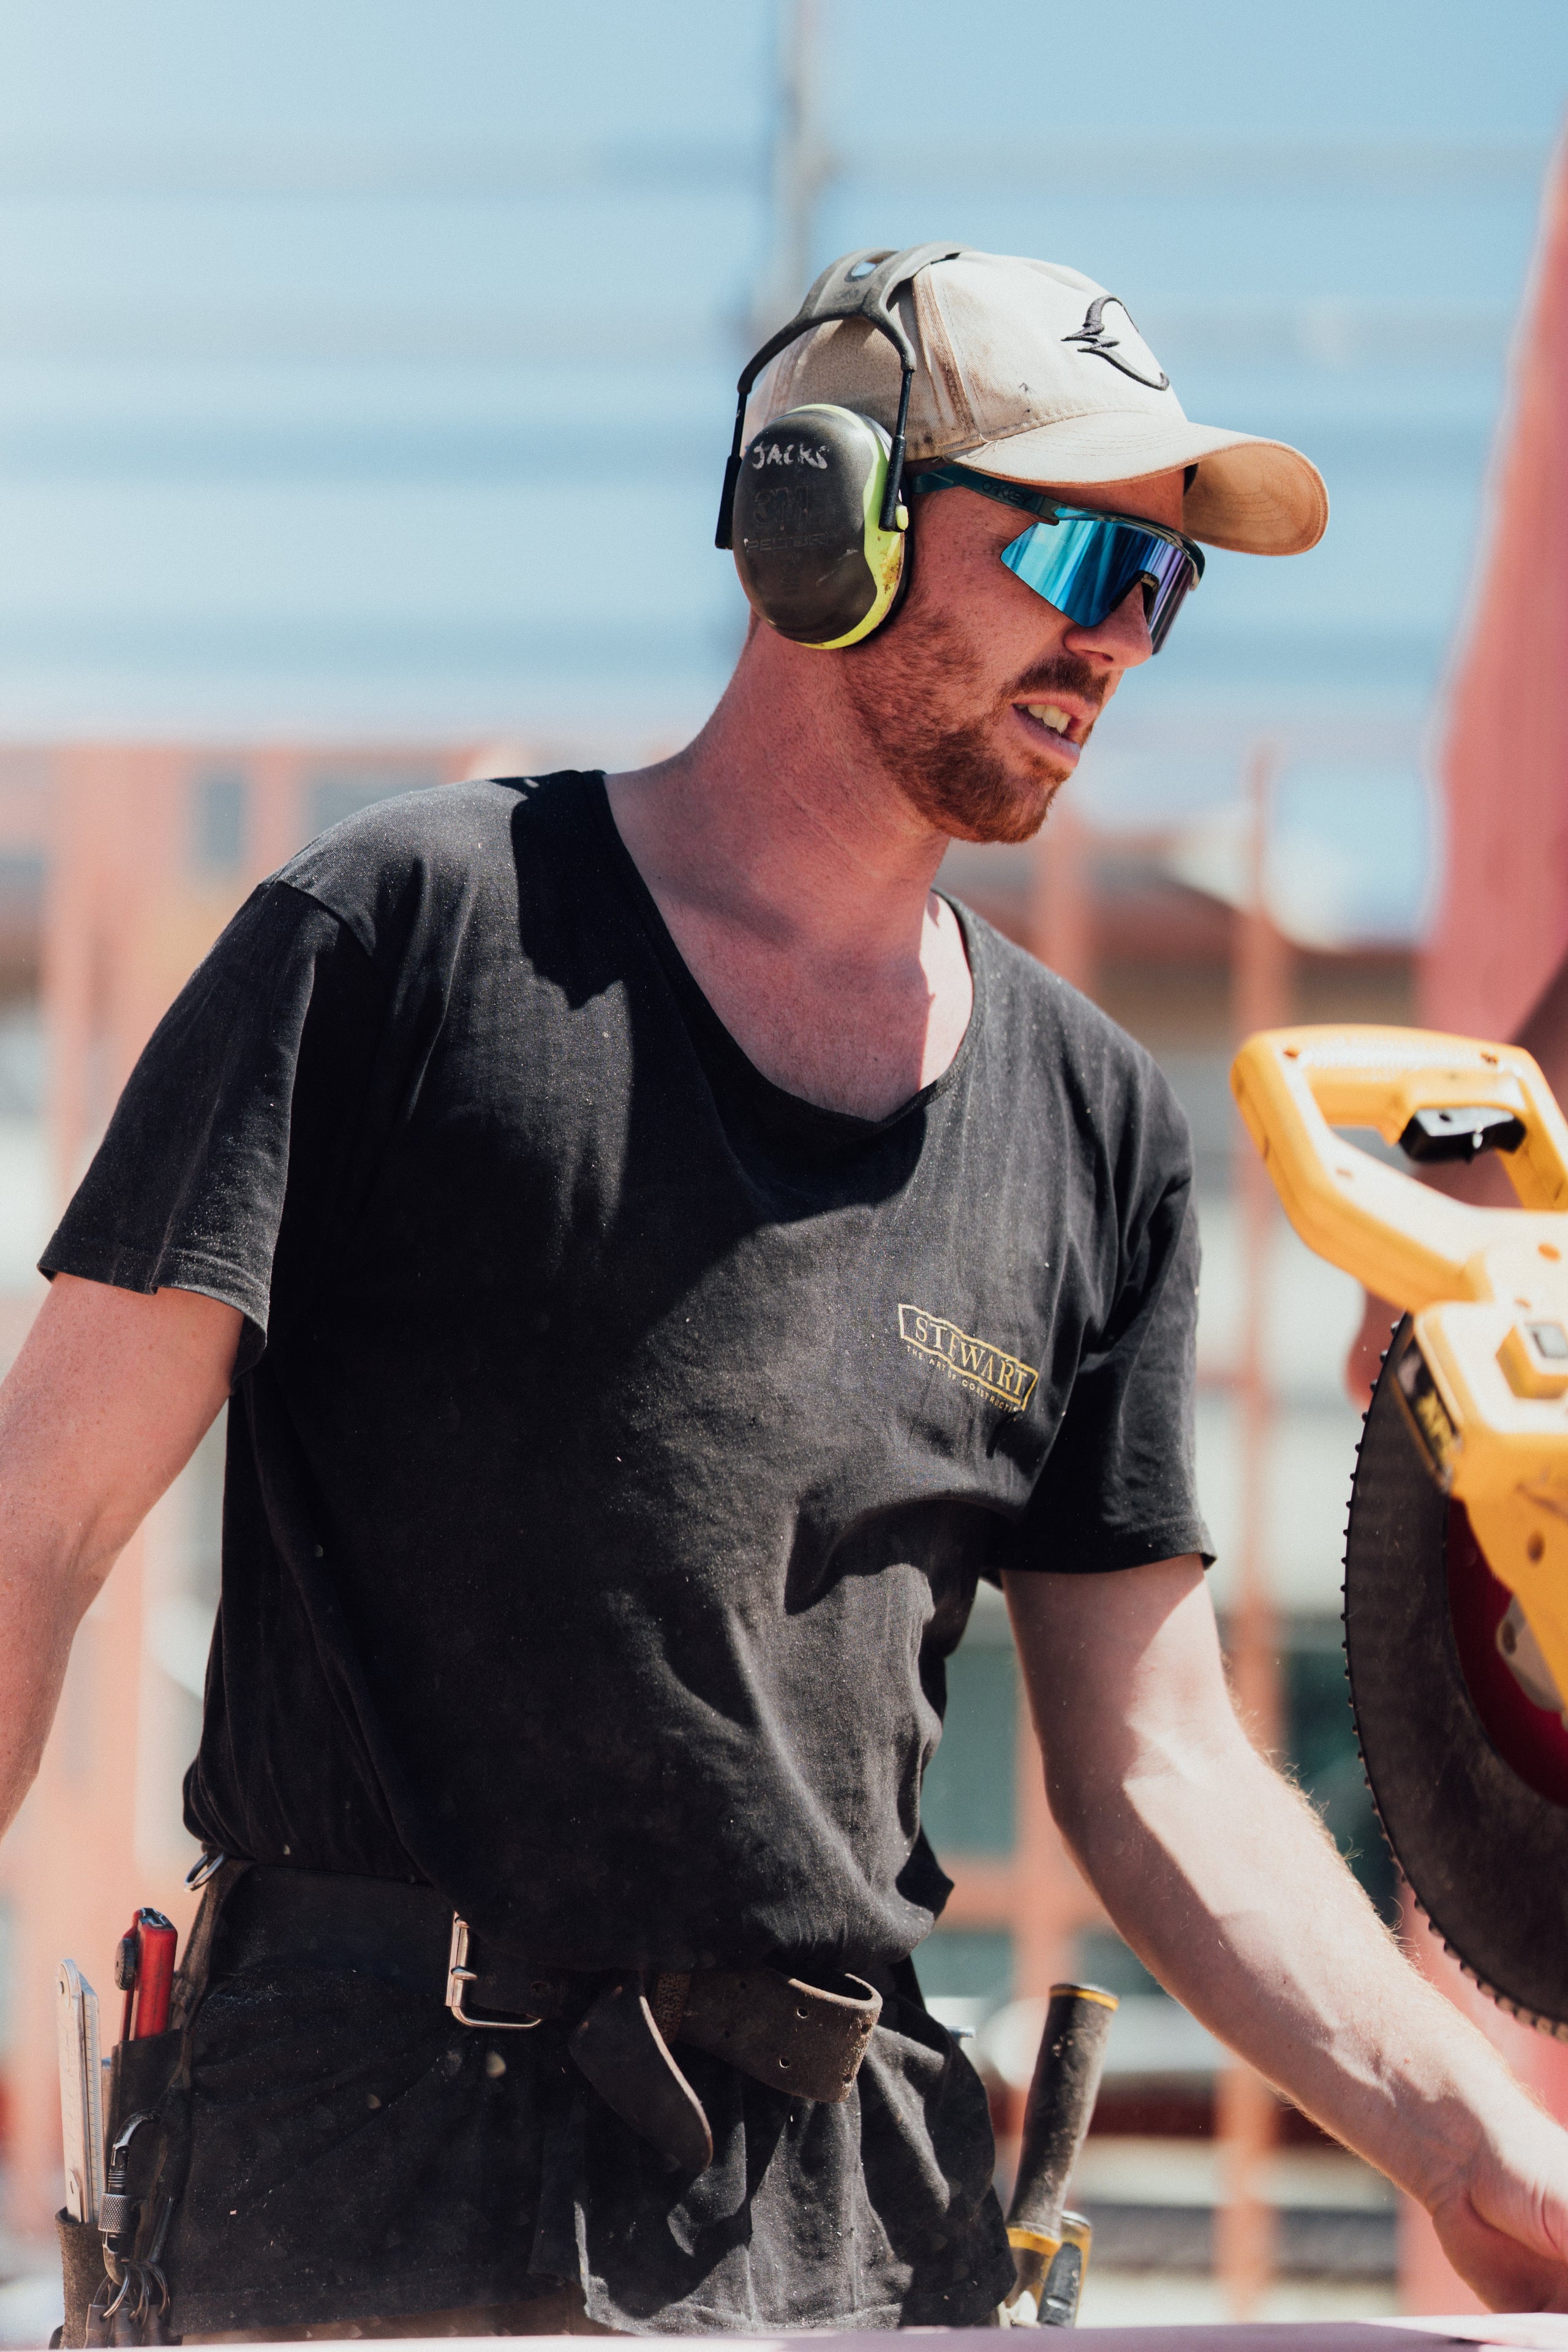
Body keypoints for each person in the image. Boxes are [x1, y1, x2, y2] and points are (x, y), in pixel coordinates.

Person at [6, 243, 1568, 2341]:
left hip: (847, 2236)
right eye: (1082, 554)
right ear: (828, 517)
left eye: (1165, 586)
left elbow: (1163, 1762)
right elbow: (34, 1530)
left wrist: (1473, 2144)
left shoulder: (1096, 1122)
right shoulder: (402, 938)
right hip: (364, 2199)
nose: (1121, 640)